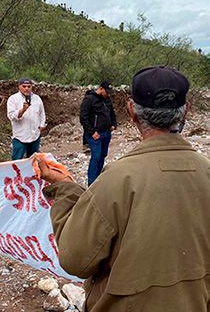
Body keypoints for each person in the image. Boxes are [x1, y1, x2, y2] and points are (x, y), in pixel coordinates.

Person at [34, 66, 210, 312]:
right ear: (185, 112)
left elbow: (75, 260)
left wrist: (64, 188)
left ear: (132, 112)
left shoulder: (116, 179)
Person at [80, 80, 117, 185]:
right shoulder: (89, 99)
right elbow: (83, 117)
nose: (108, 94)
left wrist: (114, 124)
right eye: (107, 91)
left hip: (106, 133)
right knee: (96, 157)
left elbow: (112, 112)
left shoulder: (107, 99)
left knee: (102, 155)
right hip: (95, 135)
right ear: (101, 89)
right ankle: (91, 183)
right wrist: (92, 132)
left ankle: (98, 179)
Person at [7, 77, 46, 160]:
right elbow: (11, 116)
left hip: (35, 135)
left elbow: (42, 113)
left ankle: (31, 173)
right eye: (24, 86)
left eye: (29, 86)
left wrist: (42, 125)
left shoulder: (37, 98)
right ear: (19, 86)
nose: (26, 89)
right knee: (17, 160)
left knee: (33, 160)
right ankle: (16, 173)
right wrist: (23, 110)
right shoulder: (13, 99)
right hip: (20, 136)